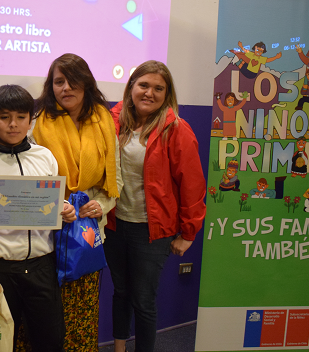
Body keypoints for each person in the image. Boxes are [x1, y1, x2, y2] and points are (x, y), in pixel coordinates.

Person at [104, 60, 206, 352]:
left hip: (152, 231)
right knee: (120, 293)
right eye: (144, 85)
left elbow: (193, 185)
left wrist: (188, 233)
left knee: (143, 301)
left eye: (158, 88)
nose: (149, 93)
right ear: (131, 87)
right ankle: (119, 349)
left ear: (167, 93)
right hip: (115, 225)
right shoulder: (113, 122)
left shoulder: (176, 130)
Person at [0, 85, 76, 351]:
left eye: (20, 117)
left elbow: (53, 205)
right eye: (5, 117)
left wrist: (65, 211)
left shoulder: (45, 157)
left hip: (41, 265)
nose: (13, 124)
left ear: (31, 120)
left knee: (50, 340)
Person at [29, 53, 122, 351]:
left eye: (73, 80)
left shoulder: (104, 121)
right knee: (44, 308)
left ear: (87, 83)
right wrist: (57, 206)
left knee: (82, 308)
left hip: (88, 230)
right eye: (58, 81)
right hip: (47, 228)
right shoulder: (37, 121)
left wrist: (101, 206)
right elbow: (29, 179)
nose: (66, 87)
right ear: (50, 85)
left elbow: (114, 177)